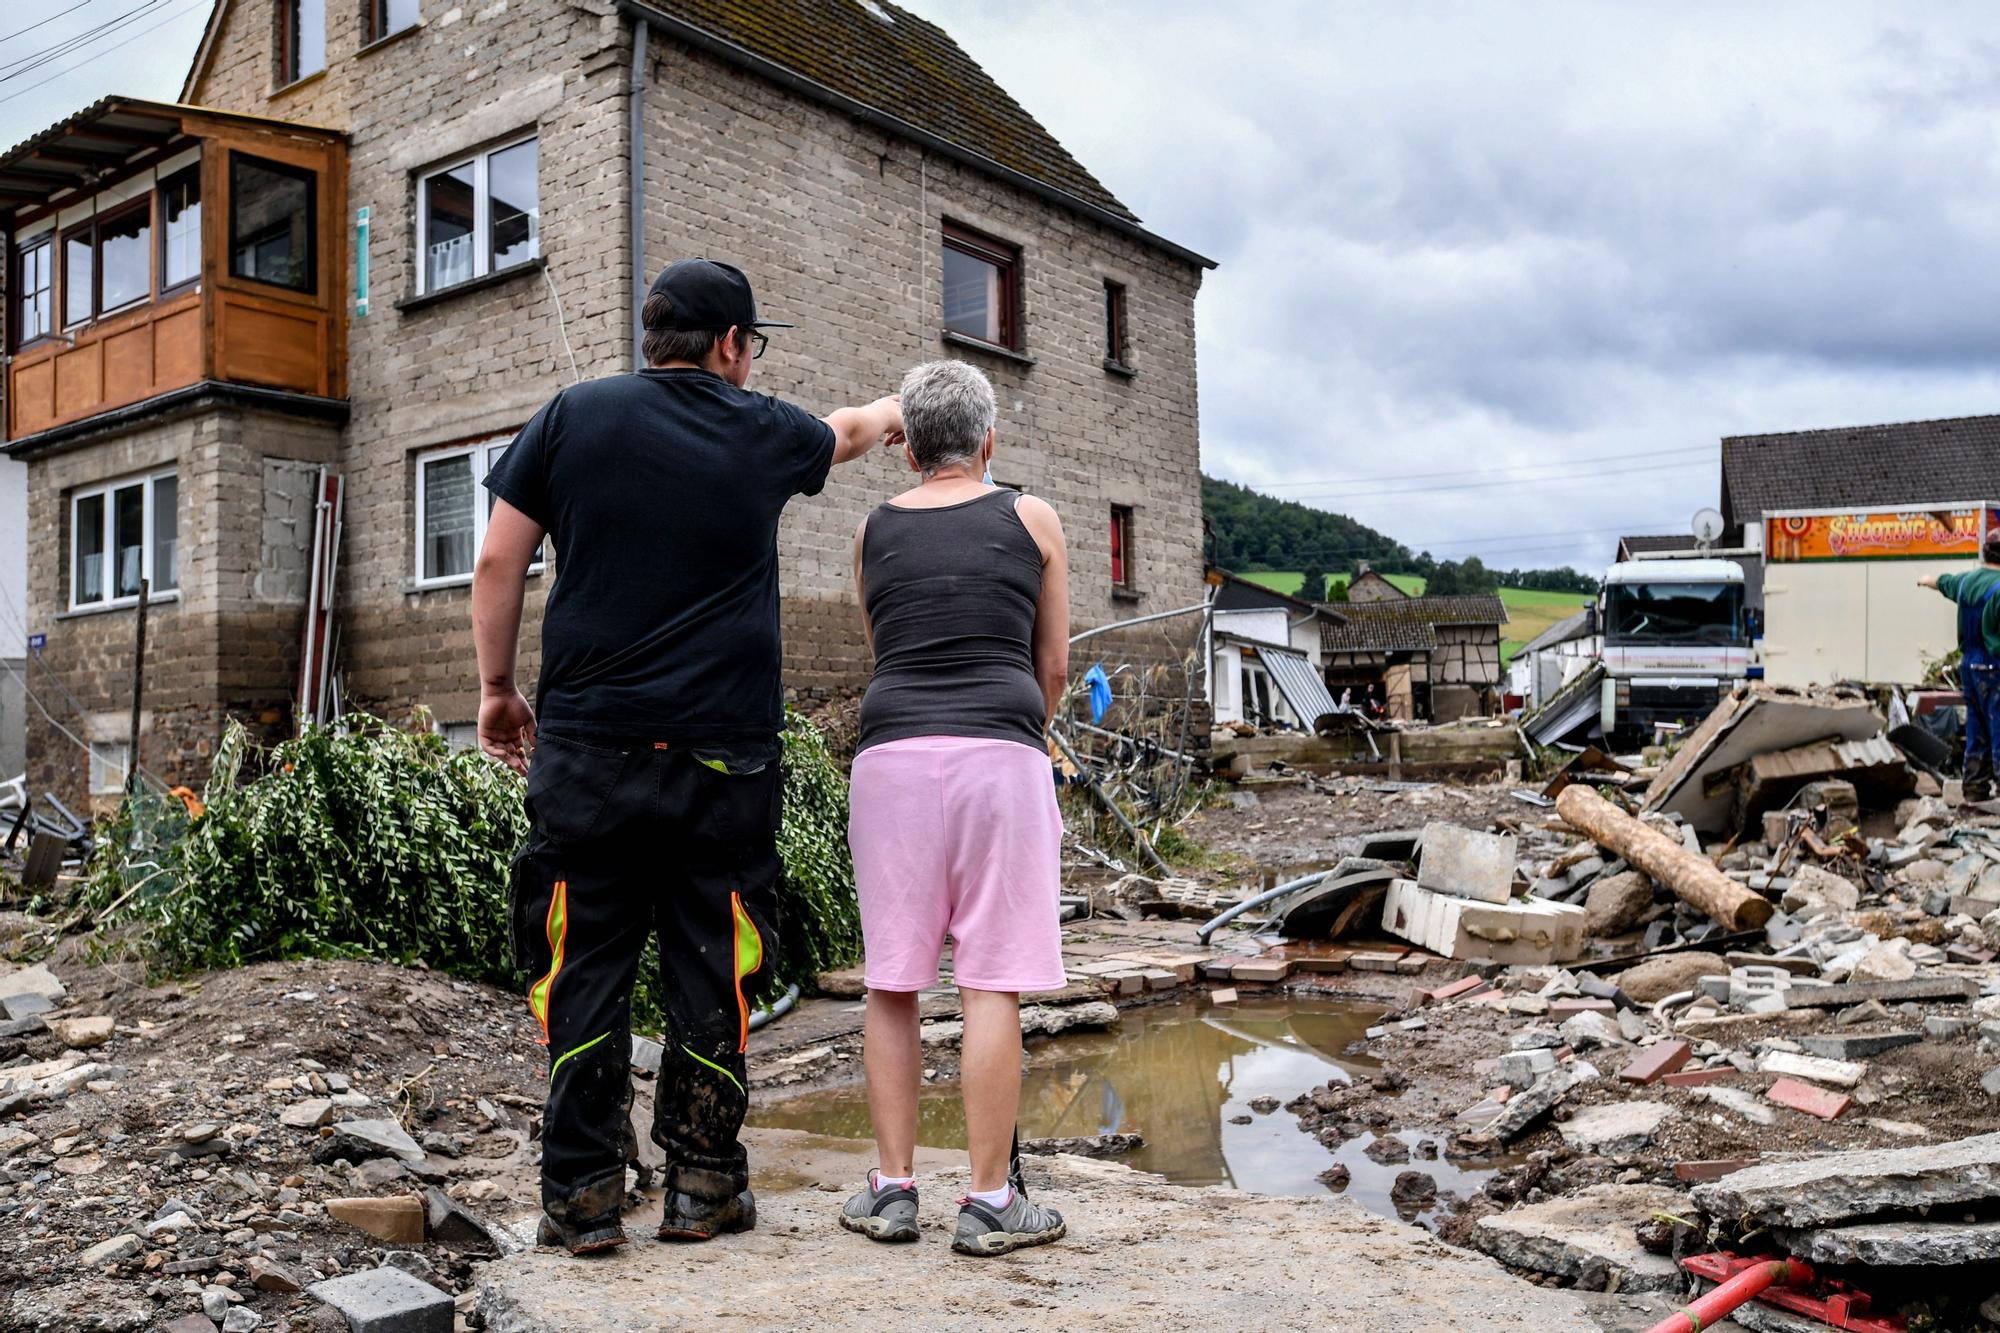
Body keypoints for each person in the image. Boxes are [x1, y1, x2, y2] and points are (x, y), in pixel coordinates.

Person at [472, 258, 904, 1255]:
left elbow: (499, 558)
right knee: (716, 962)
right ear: (729, 347)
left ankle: (581, 1192)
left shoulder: (570, 416)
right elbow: (840, 434)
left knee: (582, 962)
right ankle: (702, 1186)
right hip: (725, 758)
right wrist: (889, 409)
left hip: (588, 750)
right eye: (751, 346)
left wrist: (498, 692)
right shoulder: (758, 430)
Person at [837, 359, 1071, 1257]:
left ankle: (892, 1191)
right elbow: (1050, 666)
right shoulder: (1031, 517)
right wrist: (1013, 732)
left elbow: (881, 647)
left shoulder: (871, 530)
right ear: (989, 442)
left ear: (905, 448)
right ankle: (988, 1200)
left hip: (890, 758)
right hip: (998, 757)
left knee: (893, 979)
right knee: (990, 977)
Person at [1919, 531, 2000, 806]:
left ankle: (1974, 791)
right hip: (1995, 667)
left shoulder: (1966, 582)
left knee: (1977, 729)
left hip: (1969, 667)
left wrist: (1924, 580)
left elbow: (1940, 582)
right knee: (1999, 727)